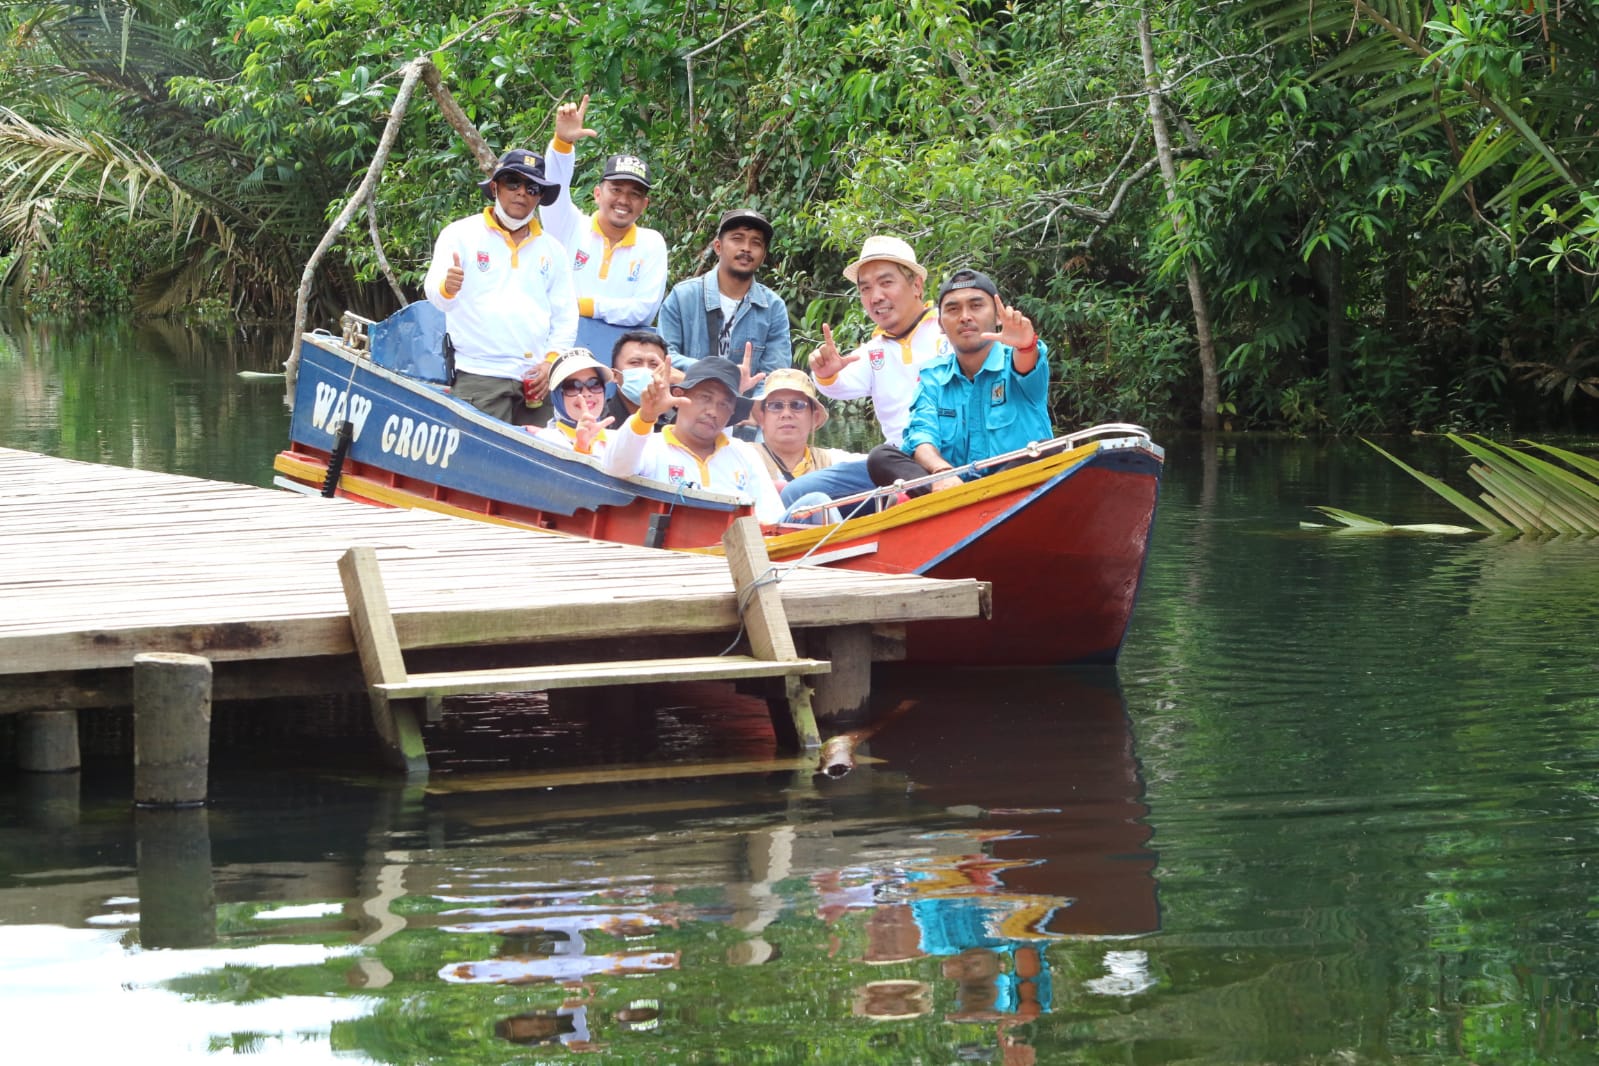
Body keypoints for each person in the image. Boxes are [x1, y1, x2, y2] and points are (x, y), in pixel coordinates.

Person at [785, 234, 943, 507]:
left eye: (886, 283)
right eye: (866, 288)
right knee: (794, 493)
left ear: (916, 285)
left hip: (948, 454)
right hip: (896, 462)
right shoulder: (874, 350)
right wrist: (825, 372)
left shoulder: (948, 327)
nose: (876, 297)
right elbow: (838, 385)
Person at [424, 148, 578, 427]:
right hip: (480, 374)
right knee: (477, 463)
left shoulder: (554, 250)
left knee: (537, 462)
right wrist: (447, 287)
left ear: (540, 197)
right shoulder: (460, 234)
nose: (522, 192)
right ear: (495, 187)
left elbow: (565, 316)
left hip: (536, 380)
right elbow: (435, 294)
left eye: (532, 187)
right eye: (513, 183)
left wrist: (550, 363)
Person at [867, 269, 1052, 495]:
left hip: (1011, 490)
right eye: (953, 309)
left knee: (1048, 451)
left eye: (976, 306)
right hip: (951, 491)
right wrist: (941, 472)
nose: (965, 316)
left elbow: (1026, 363)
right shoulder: (932, 376)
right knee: (881, 457)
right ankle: (955, 501)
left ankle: (975, 500)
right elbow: (921, 436)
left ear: (996, 316)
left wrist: (1025, 345)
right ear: (941, 325)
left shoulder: (1016, 359)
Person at [540, 93, 668, 357]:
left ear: (645, 204)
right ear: (598, 194)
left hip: (619, 362)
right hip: (558, 352)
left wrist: (583, 305)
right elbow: (553, 187)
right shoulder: (570, 225)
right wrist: (563, 143)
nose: (623, 200)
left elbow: (644, 309)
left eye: (634, 194)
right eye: (616, 189)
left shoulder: (651, 243)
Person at [603, 356, 786, 525]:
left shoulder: (744, 453)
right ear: (678, 396)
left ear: (732, 412)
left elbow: (771, 517)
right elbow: (616, 468)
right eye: (705, 398)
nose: (713, 411)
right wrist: (646, 416)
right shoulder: (651, 446)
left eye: (724, 404)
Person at [656, 208, 792, 382]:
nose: (746, 248)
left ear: (763, 256)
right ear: (718, 247)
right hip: (686, 402)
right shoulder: (683, 297)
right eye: (737, 239)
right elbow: (663, 357)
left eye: (756, 243)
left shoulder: (773, 307)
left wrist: (748, 407)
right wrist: (718, 373)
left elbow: (775, 376)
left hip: (747, 406)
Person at [750, 368, 865, 523]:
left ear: (814, 417)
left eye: (797, 405)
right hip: (766, 543)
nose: (786, 414)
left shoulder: (830, 460)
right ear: (762, 417)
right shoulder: (745, 456)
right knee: (816, 501)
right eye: (776, 406)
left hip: (817, 543)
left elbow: (875, 464)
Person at [532, 348, 614, 456]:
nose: (586, 393)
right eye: (573, 386)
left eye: (595, 384)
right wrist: (582, 446)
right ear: (558, 397)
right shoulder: (545, 440)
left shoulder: (618, 440)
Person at [604, 328, 674, 430]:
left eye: (654, 364)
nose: (645, 370)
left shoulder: (675, 422)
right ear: (615, 375)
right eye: (635, 363)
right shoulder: (600, 420)